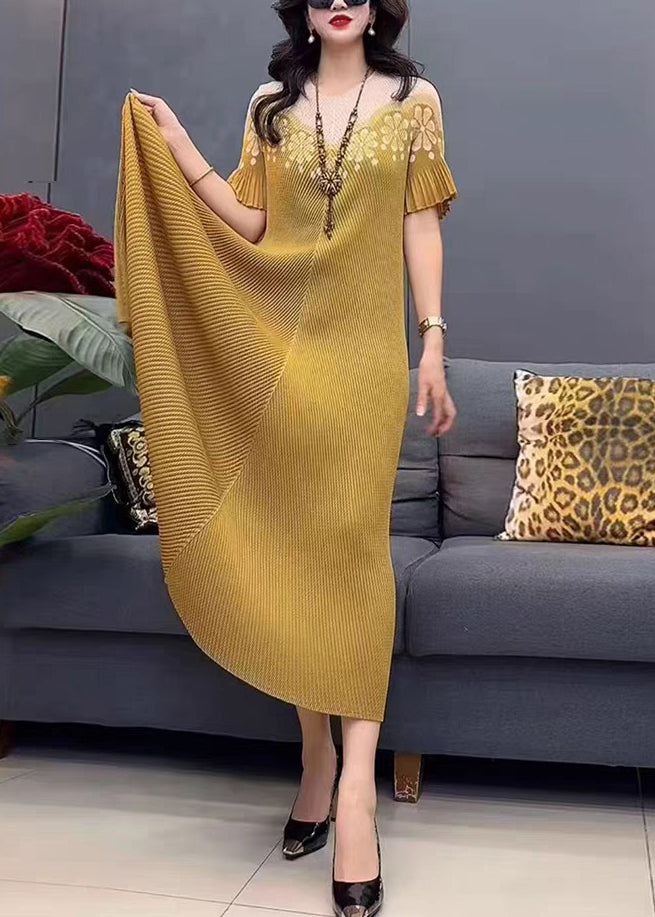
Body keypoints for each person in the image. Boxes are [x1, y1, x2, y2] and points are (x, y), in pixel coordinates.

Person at [115, 1, 458, 913]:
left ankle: (355, 794)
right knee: (300, 557)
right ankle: (314, 757)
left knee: (352, 555)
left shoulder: (415, 100)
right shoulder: (269, 104)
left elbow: (419, 224)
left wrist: (431, 337)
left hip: (364, 363)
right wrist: (180, 146)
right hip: (283, 361)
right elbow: (254, 224)